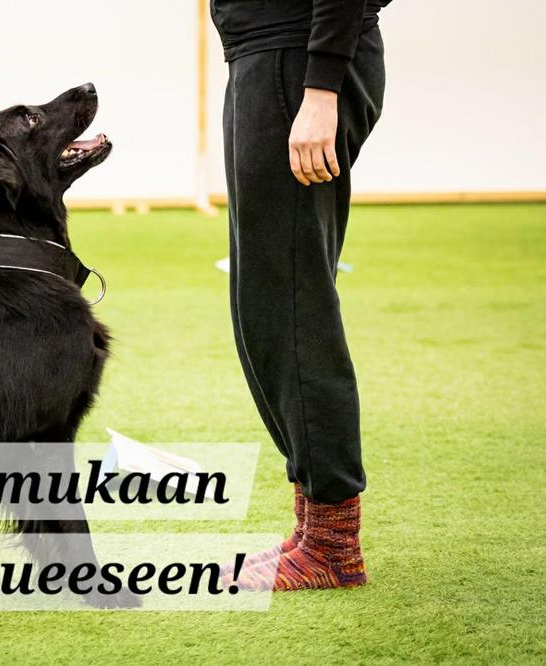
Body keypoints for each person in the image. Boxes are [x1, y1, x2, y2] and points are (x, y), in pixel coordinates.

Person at [210, 0, 391, 590]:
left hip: (297, 65)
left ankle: (333, 546)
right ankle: (313, 530)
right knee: (268, 306)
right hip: (269, 60)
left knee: (290, 307)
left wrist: (320, 87)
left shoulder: (309, 75)